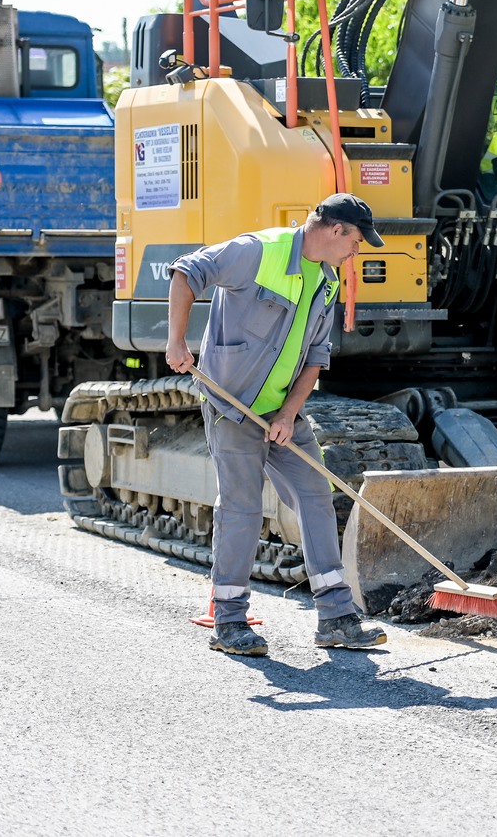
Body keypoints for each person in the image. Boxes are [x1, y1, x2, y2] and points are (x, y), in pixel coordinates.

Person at [165, 193, 390, 656]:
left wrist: (289, 413)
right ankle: (229, 621)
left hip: (282, 411)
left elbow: (315, 359)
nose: (357, 252)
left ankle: (336, 616)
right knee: (242, 507)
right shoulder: (257, 251)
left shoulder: (326, 283)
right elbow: (187, 271)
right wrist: (176, 341)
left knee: (315, 495)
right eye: (356, 242)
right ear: (335, 231)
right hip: (234, 407)